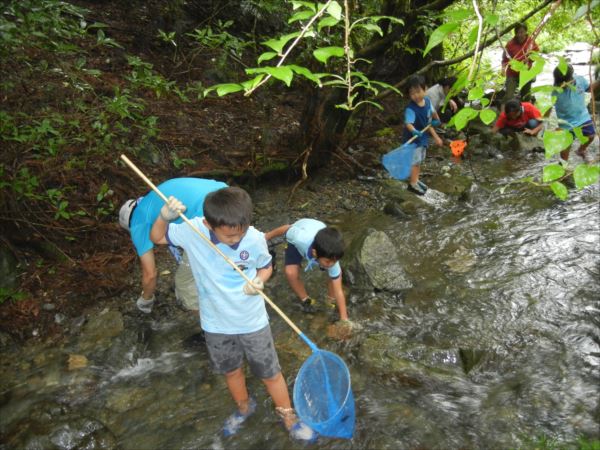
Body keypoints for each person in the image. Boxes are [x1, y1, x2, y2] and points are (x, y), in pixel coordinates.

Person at [149, 187, 317, 443]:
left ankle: (288, 415)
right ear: (208, 223)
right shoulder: (193, 230)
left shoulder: (254, 238)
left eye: (240, 233)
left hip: (252, 321)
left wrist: (259, 281)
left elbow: (265, 266)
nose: (235, 240)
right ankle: (244, 407)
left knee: (270, 373)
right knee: (231, 371)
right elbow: (157, 237)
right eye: (229, 236)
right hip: (216, 323)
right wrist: (164, 216)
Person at [118, 177, 226, 314]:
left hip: (209, 217)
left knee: (184, 285)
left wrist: (146, 299)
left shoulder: (137, 222)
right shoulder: (152, 199)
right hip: (228, 197)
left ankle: (216, 330)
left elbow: (150, 274)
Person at [265, 219, 349, 323]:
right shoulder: (299, 238)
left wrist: (344, 319)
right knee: (290, 272)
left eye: (334, 261)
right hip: (299, 237)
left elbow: (339, 290)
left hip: (319, 236)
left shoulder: (331, 257)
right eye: (328, 261)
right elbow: (286, 228)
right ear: (314, 253)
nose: (332, 264)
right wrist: (266, 237)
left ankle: (330, 299)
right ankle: (306, 299)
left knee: (334, 276)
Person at [402, 75, 444, 195]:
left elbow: (433, 112)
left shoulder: (427, 102)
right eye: (412, 93)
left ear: (425, 89)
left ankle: (416, 179)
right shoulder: (411, 108)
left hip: (423, 136)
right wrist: (414, 130)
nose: (415, 96)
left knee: (419, 159)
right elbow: (408, 123)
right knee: (415, 160)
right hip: (413, 138)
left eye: (418, 92)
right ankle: (413, 183)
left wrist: (437, 119)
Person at [552, 63, 599, 163]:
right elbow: (547, 106)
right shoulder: (555, 90)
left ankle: (581, 150)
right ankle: (563, 167)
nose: (563, 84)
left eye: (565, 81)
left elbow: (588, 88)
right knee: (564, 151)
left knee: (591, 136)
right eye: (560, 82)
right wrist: (543, 123)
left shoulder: (579, 80)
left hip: (582, 117)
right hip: (565, 123)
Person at [501, 23, 539, 102]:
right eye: (518, 32)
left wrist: (529, 59)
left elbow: (536, 55)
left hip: (525, 72)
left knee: (525, 97)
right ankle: (505, 112)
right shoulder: (510, 44)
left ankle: (525, 111)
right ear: (515, 33)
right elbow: (505, 58)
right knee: (509, 96)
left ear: (526, 32)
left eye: (522, 32)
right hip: (512, 73)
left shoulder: (530, 42)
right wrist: (503, 68)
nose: (520, 34)